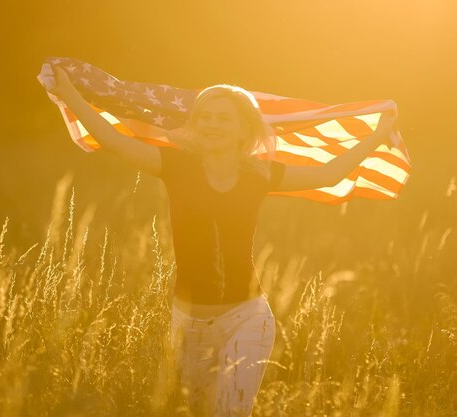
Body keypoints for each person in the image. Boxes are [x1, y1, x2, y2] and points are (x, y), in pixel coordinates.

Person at [40, 64, 398, 416]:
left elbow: (328, 173)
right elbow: (113, 139)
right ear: (195, 125)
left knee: (230, 411)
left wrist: (378, 135)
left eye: (224, 118)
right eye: (206, 117)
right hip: (188, 324)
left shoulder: (259, 174)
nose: (213, 125)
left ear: (244, 128)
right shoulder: (175, 165)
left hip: (247, 317)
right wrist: (70, 93)